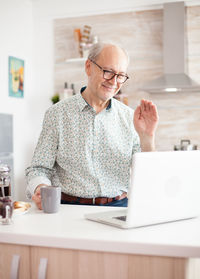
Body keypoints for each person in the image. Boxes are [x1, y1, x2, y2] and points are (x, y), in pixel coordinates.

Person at [25, 42, 159, 210]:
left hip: (118, 208)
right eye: (108, 72)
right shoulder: (57, 114)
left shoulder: (129, 117)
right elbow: (38, 168)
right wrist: (40, 187)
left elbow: (148, 176)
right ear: (88, 67)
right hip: (69, 208)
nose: (114, 81)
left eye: (121, 76)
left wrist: (148, 137)